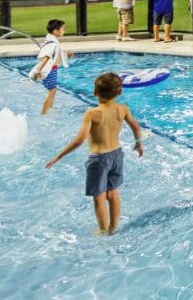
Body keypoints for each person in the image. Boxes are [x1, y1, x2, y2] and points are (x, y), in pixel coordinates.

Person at [45, 72, 144, 235]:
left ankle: (103, 231)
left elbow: (79, 139)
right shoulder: (123, 108)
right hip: (117, 155)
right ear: (119, 92)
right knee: (113, 193)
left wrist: (58, 156)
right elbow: (135, 126)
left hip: (99, 159)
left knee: (99, 197)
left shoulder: (92, 113)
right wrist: (139, 144)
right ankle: (114, 228)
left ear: (95, 93)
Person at [29, 19, 69, 115]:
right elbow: (46, 57)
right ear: (55, 31)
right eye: (62, 29)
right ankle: (44, 112)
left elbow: (55, 54)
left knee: (53, 90)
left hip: (53, 69)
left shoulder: (52, 42)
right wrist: (38, 70)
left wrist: (67, 54)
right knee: (51, 91)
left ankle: (49, 110)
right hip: (49, 70)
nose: (64, 31)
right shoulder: (52, 44)